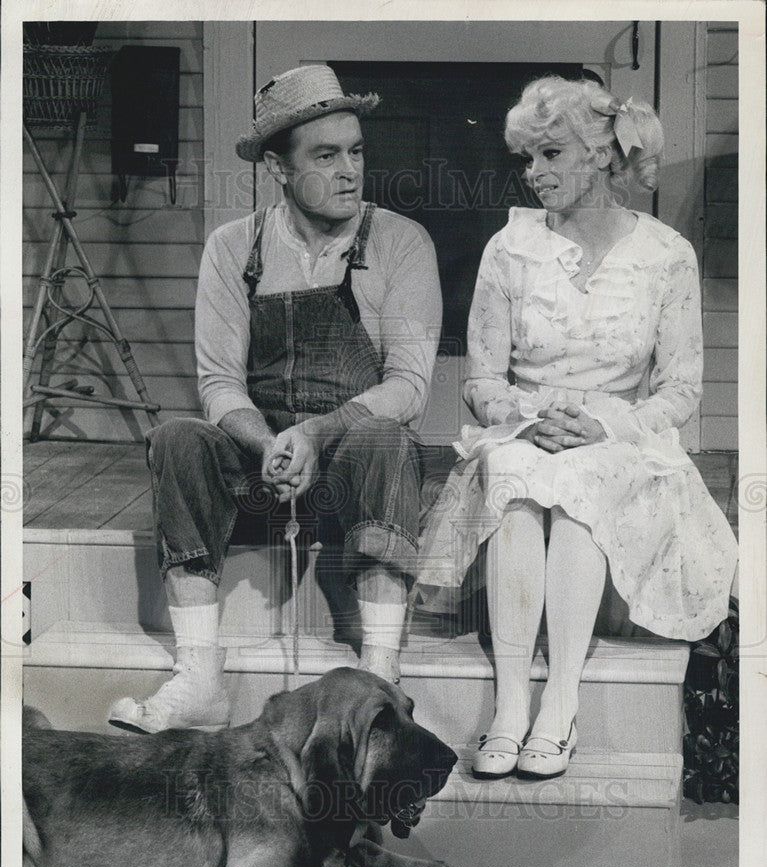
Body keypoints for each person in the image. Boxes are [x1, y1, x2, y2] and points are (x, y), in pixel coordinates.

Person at [416, 76, 738, 781]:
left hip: (618, 438)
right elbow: (482, 381)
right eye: (527, 160)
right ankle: (508, 706)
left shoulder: (665, 255)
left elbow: (681, 388)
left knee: (584, 480)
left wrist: (602, 423)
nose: (534, 175)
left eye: (550, 154)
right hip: (525, 432)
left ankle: (558, 703)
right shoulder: (511, 248)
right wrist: (525, 420)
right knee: (514, 476)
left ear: (599, 154)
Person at [108, 65, 442, 734]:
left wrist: (317, 435)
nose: (350, 170)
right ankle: (200, 675)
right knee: (176, 437)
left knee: (385, 434)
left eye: (356, 151)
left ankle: (379, 670)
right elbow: (218, 384)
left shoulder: (400, 242)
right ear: (278, 169)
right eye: (326, 156)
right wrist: (269, 444)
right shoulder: (234, 248)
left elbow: (407, 386)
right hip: (264, 472)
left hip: (353, 475)